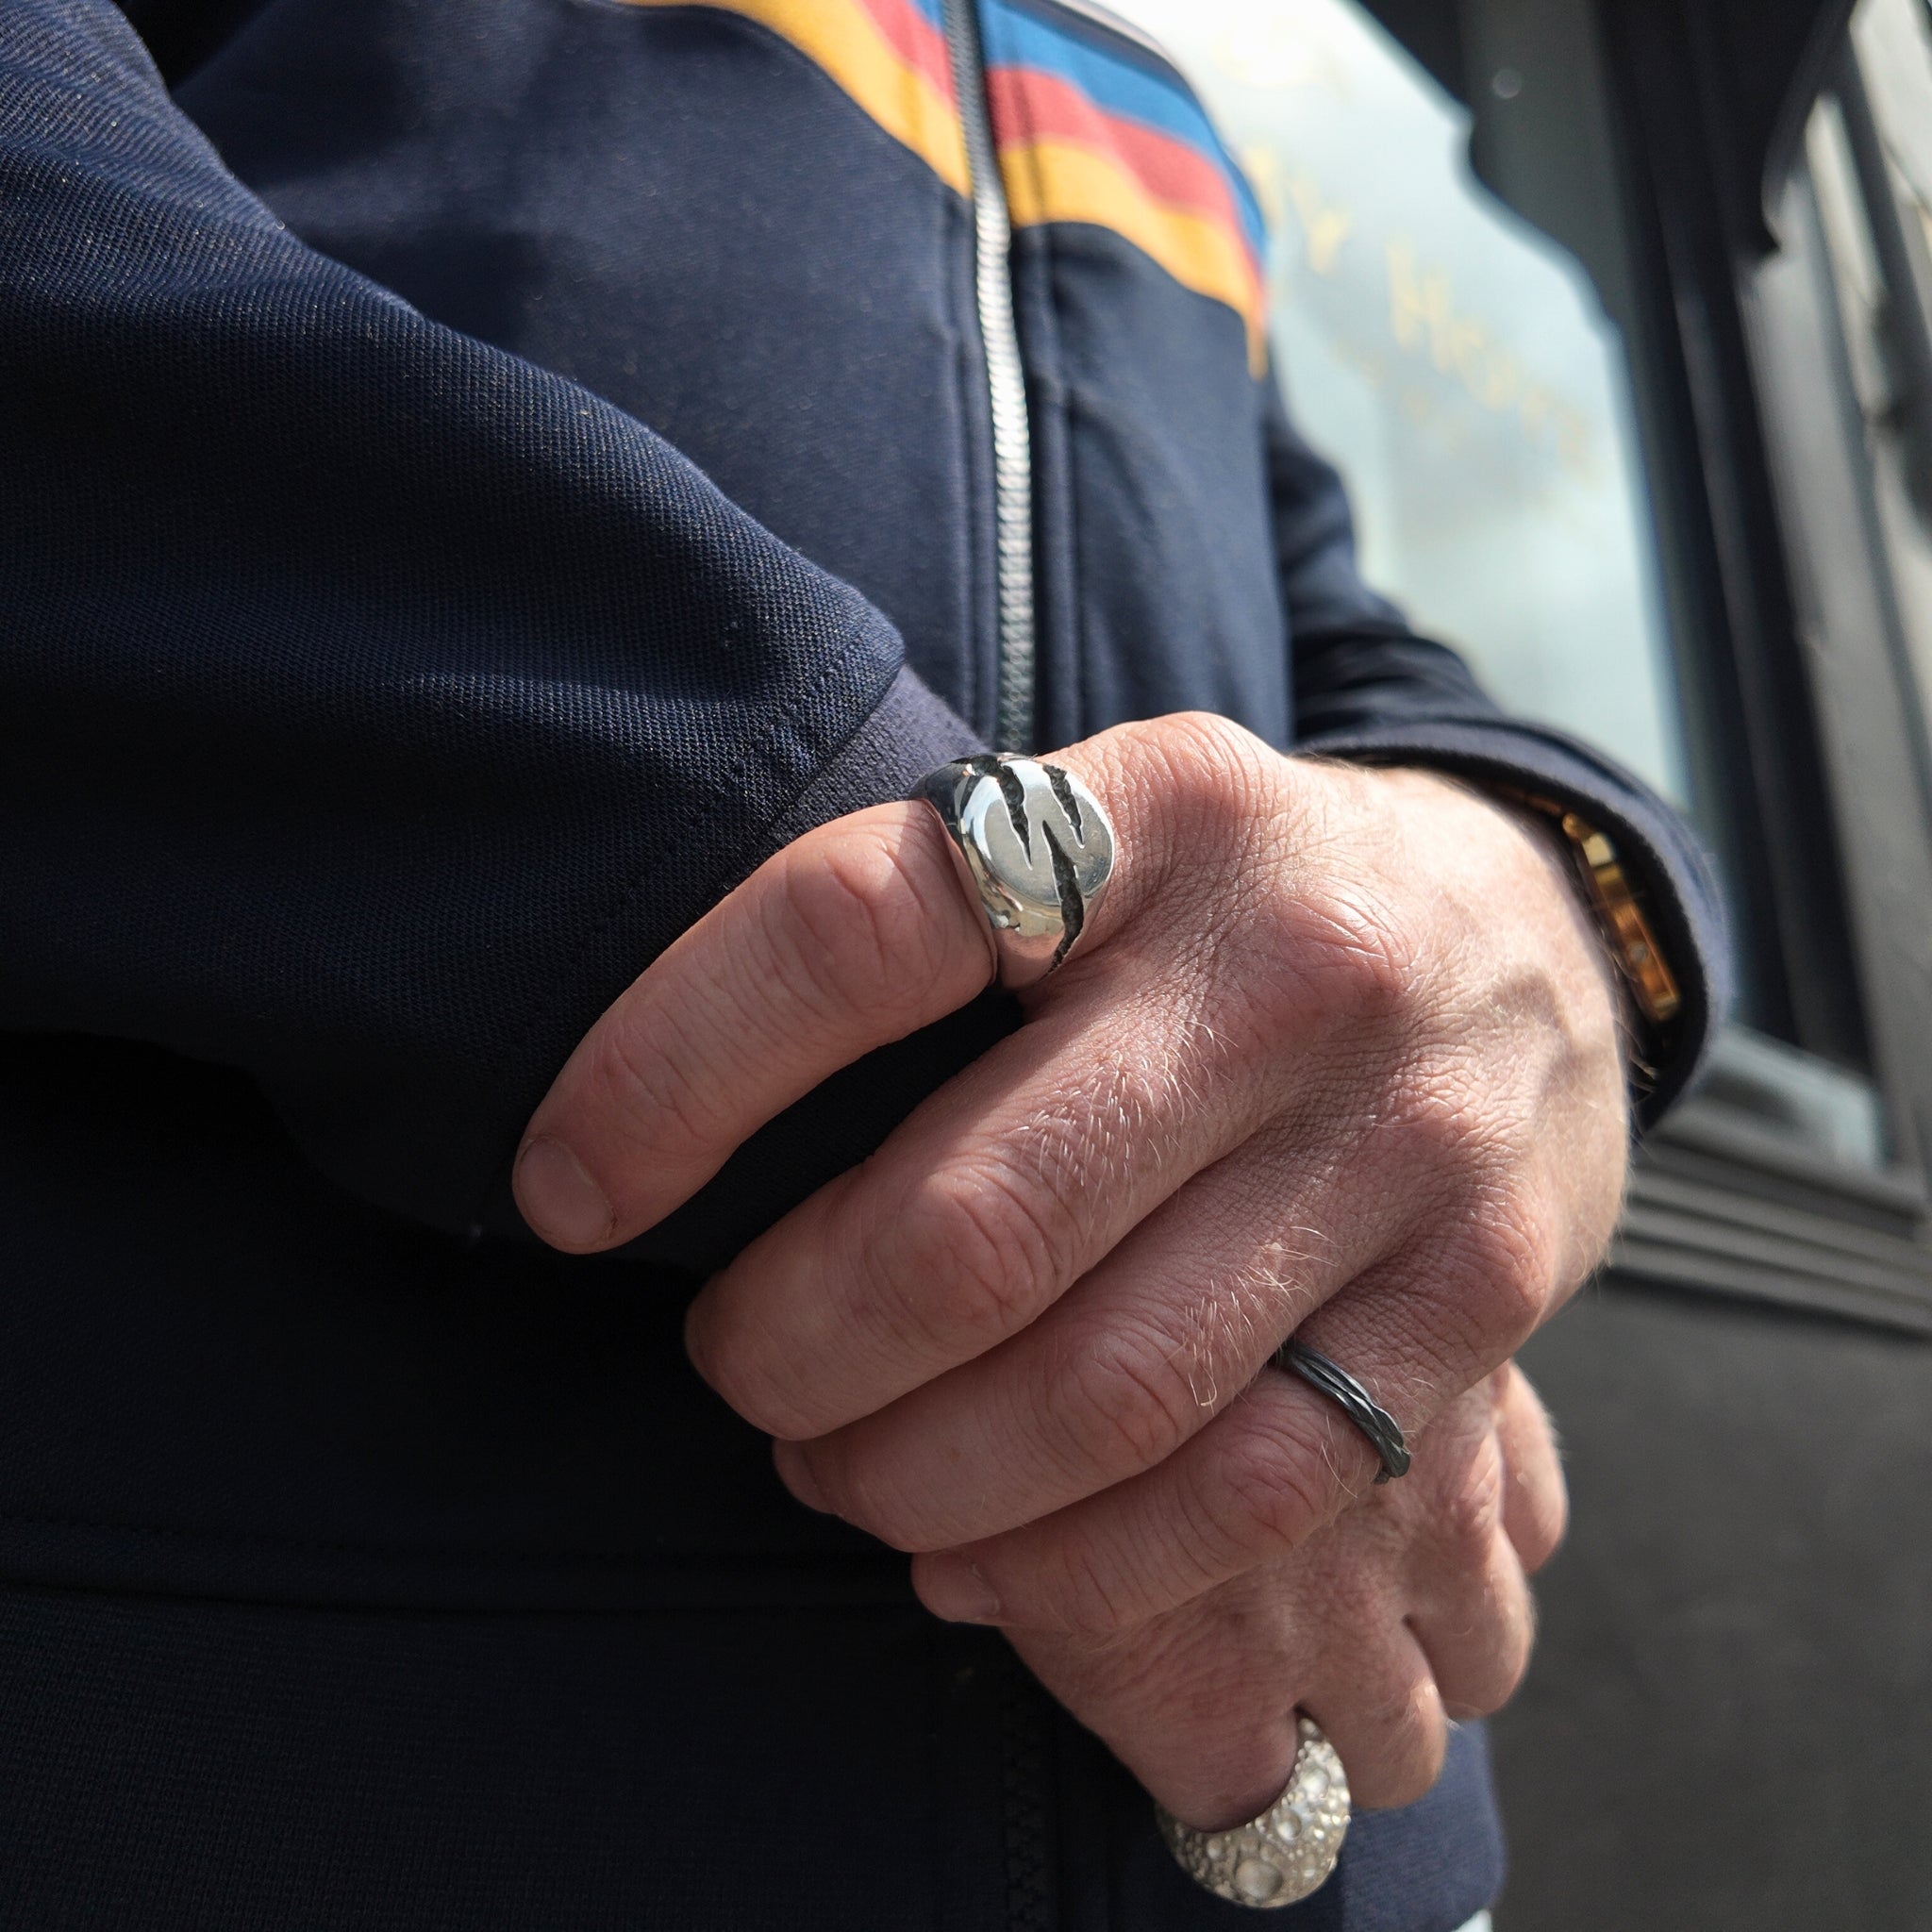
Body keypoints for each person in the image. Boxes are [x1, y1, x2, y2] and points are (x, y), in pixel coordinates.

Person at [0, 0, 1724, 1925]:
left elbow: (1347, 638)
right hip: (349, 1761)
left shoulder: (1150, 104)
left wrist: (1548, 889)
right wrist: (1033, 1082)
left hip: (1321, 1828)